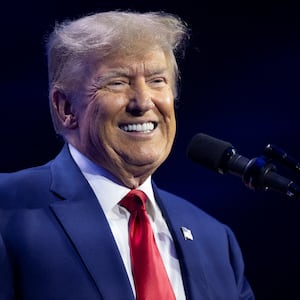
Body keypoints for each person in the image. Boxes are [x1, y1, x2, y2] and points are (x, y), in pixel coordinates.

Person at [0, 10, 255, 299]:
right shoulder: (8, 209)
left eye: (157, 81)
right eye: (117, 82)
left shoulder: (215, 240)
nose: (143, 101)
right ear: (66, 108)